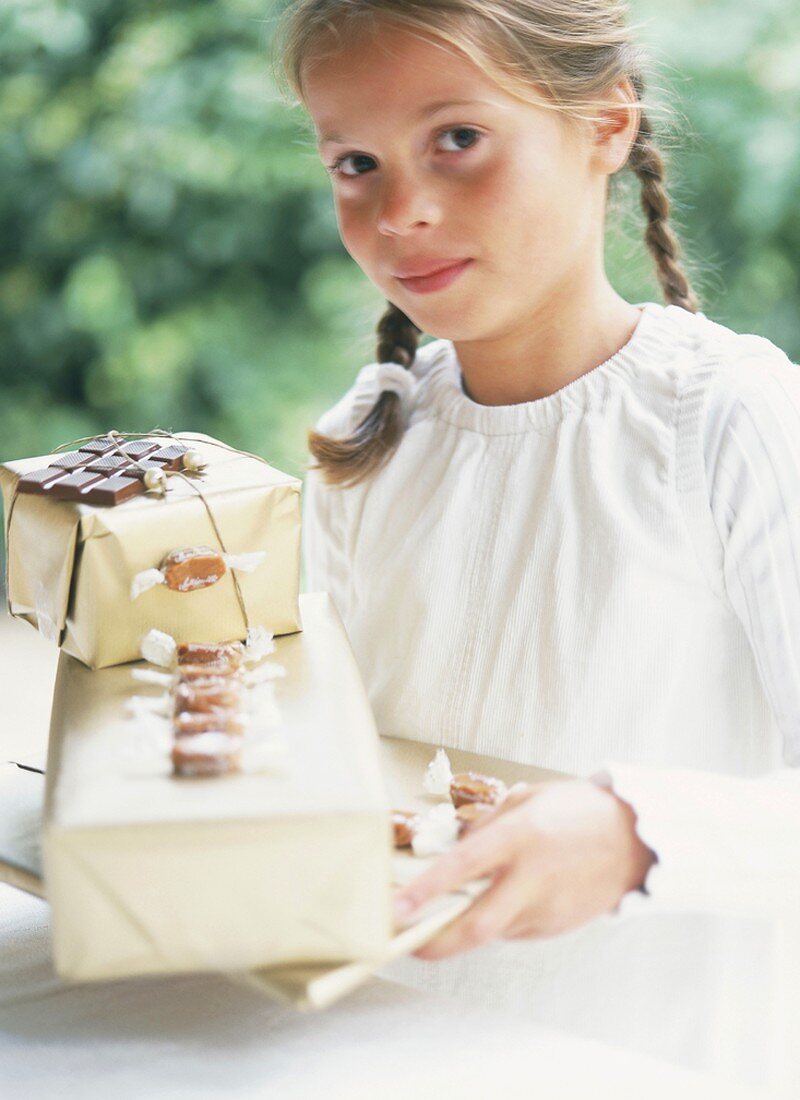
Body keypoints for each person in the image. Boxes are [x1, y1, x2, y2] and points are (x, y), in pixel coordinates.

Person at [272, 1, 800, 1091]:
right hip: (377, 1058)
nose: (400, 209)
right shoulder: (368, 441)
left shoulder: (731, 421)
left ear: (603, 124)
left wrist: (636, 831)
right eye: (355, 161)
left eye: (455, 139)